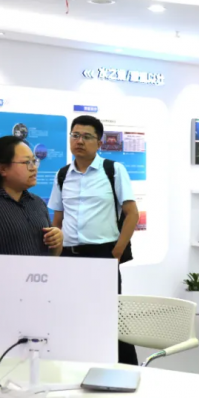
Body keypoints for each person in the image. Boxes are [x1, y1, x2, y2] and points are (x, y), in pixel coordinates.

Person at [48, 115, 140, 365]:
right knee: (71, 314)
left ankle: (127, 370)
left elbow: (132, 214)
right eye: (75, 135)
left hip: (103, 254)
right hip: (68, 256)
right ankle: (79, 365)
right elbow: (58, 219)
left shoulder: (113, 170)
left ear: (99, 143)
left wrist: (116, 252)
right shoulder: (62, 174)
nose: (79, 141)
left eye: (87, 137)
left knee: (110, 317)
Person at [0, 136, 63, 256]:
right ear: (3, 169)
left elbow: (51, 258)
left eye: (34, 161)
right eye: (27, 162)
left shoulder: (37, 203)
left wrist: (57, 242)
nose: (34, 168)